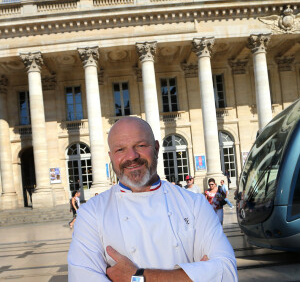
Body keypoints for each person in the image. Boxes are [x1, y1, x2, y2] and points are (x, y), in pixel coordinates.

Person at [68, 117, 238, 281]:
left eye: (141, 145)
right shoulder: (92, 213)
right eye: (120, 149)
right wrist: (194, 276)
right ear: (111, 156)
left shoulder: (194, 204)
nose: (132, 156)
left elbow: (226, 273)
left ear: (156, 147)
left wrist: (137, 277)